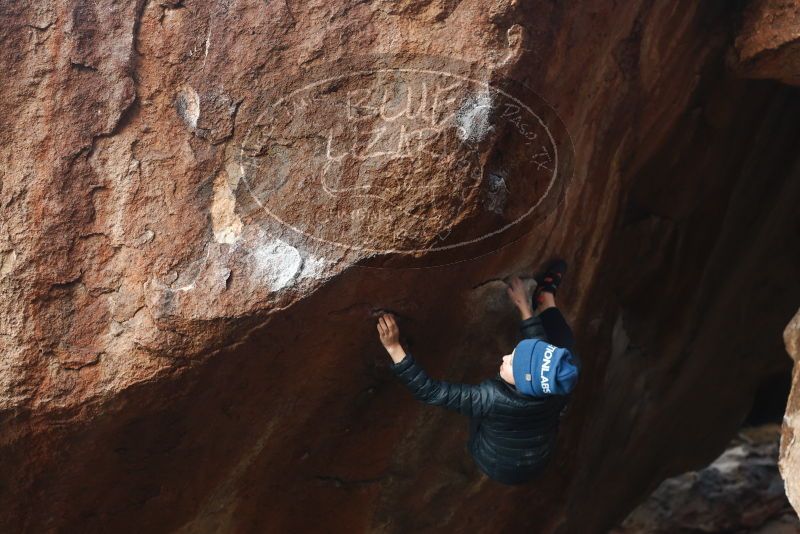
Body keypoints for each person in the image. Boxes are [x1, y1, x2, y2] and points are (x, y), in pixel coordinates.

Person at [376, 260, 581, 485]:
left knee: (558, 351)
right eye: (514, 353)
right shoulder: (558, 384)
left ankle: (543, 304)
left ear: (522, 385)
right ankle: (544, 299)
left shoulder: (492, 400)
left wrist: (393, 347)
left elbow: (430, 392)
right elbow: (539, 356)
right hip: (538, 458)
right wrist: (524, 307)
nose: (505, 357)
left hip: (493, 461)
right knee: (565, 349)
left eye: (512, 363)